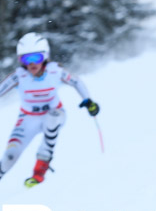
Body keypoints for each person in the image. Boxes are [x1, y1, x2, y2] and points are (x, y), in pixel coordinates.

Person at [0, 32, 100, 187]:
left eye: (36, 58)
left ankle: (38, 174)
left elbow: (76, 82)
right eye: (26, 59)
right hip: (27, 118)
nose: (32, 64)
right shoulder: (19, 75)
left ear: (45, 57)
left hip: (54, 112)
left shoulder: (55, 71)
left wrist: (88, 101)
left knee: (52, 119)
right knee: (11, 155)